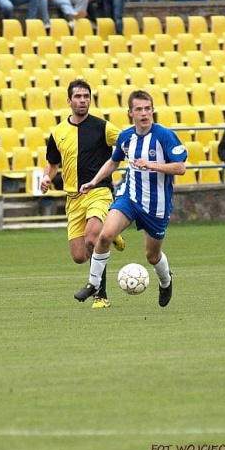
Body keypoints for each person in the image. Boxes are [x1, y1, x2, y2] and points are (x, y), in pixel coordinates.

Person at [74, 90, 188, 308]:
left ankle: (166, 281)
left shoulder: (164, 136)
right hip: (130, 198)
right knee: (105, 235)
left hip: (157, 205)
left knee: (152, 256)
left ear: (152, 110)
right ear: (130, 112)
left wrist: (152, 165)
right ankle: (93, 284)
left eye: (147, 108)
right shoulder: (126, 137)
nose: (144, 113)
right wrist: (95, 181)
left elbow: (180, 168)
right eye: (139, 109)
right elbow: (114, 161)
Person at [40, 80, 126, 309]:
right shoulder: (57, 133)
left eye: (86, 96)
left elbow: (129, 141)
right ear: (69, 101)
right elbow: (52, 164)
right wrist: (47, 177)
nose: (83, 100)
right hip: (73, 199)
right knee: (79, 255)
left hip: (99, 191)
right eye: (78, 96)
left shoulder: (103, 127)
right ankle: (111, 233)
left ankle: (101, 295)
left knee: (92, 238)